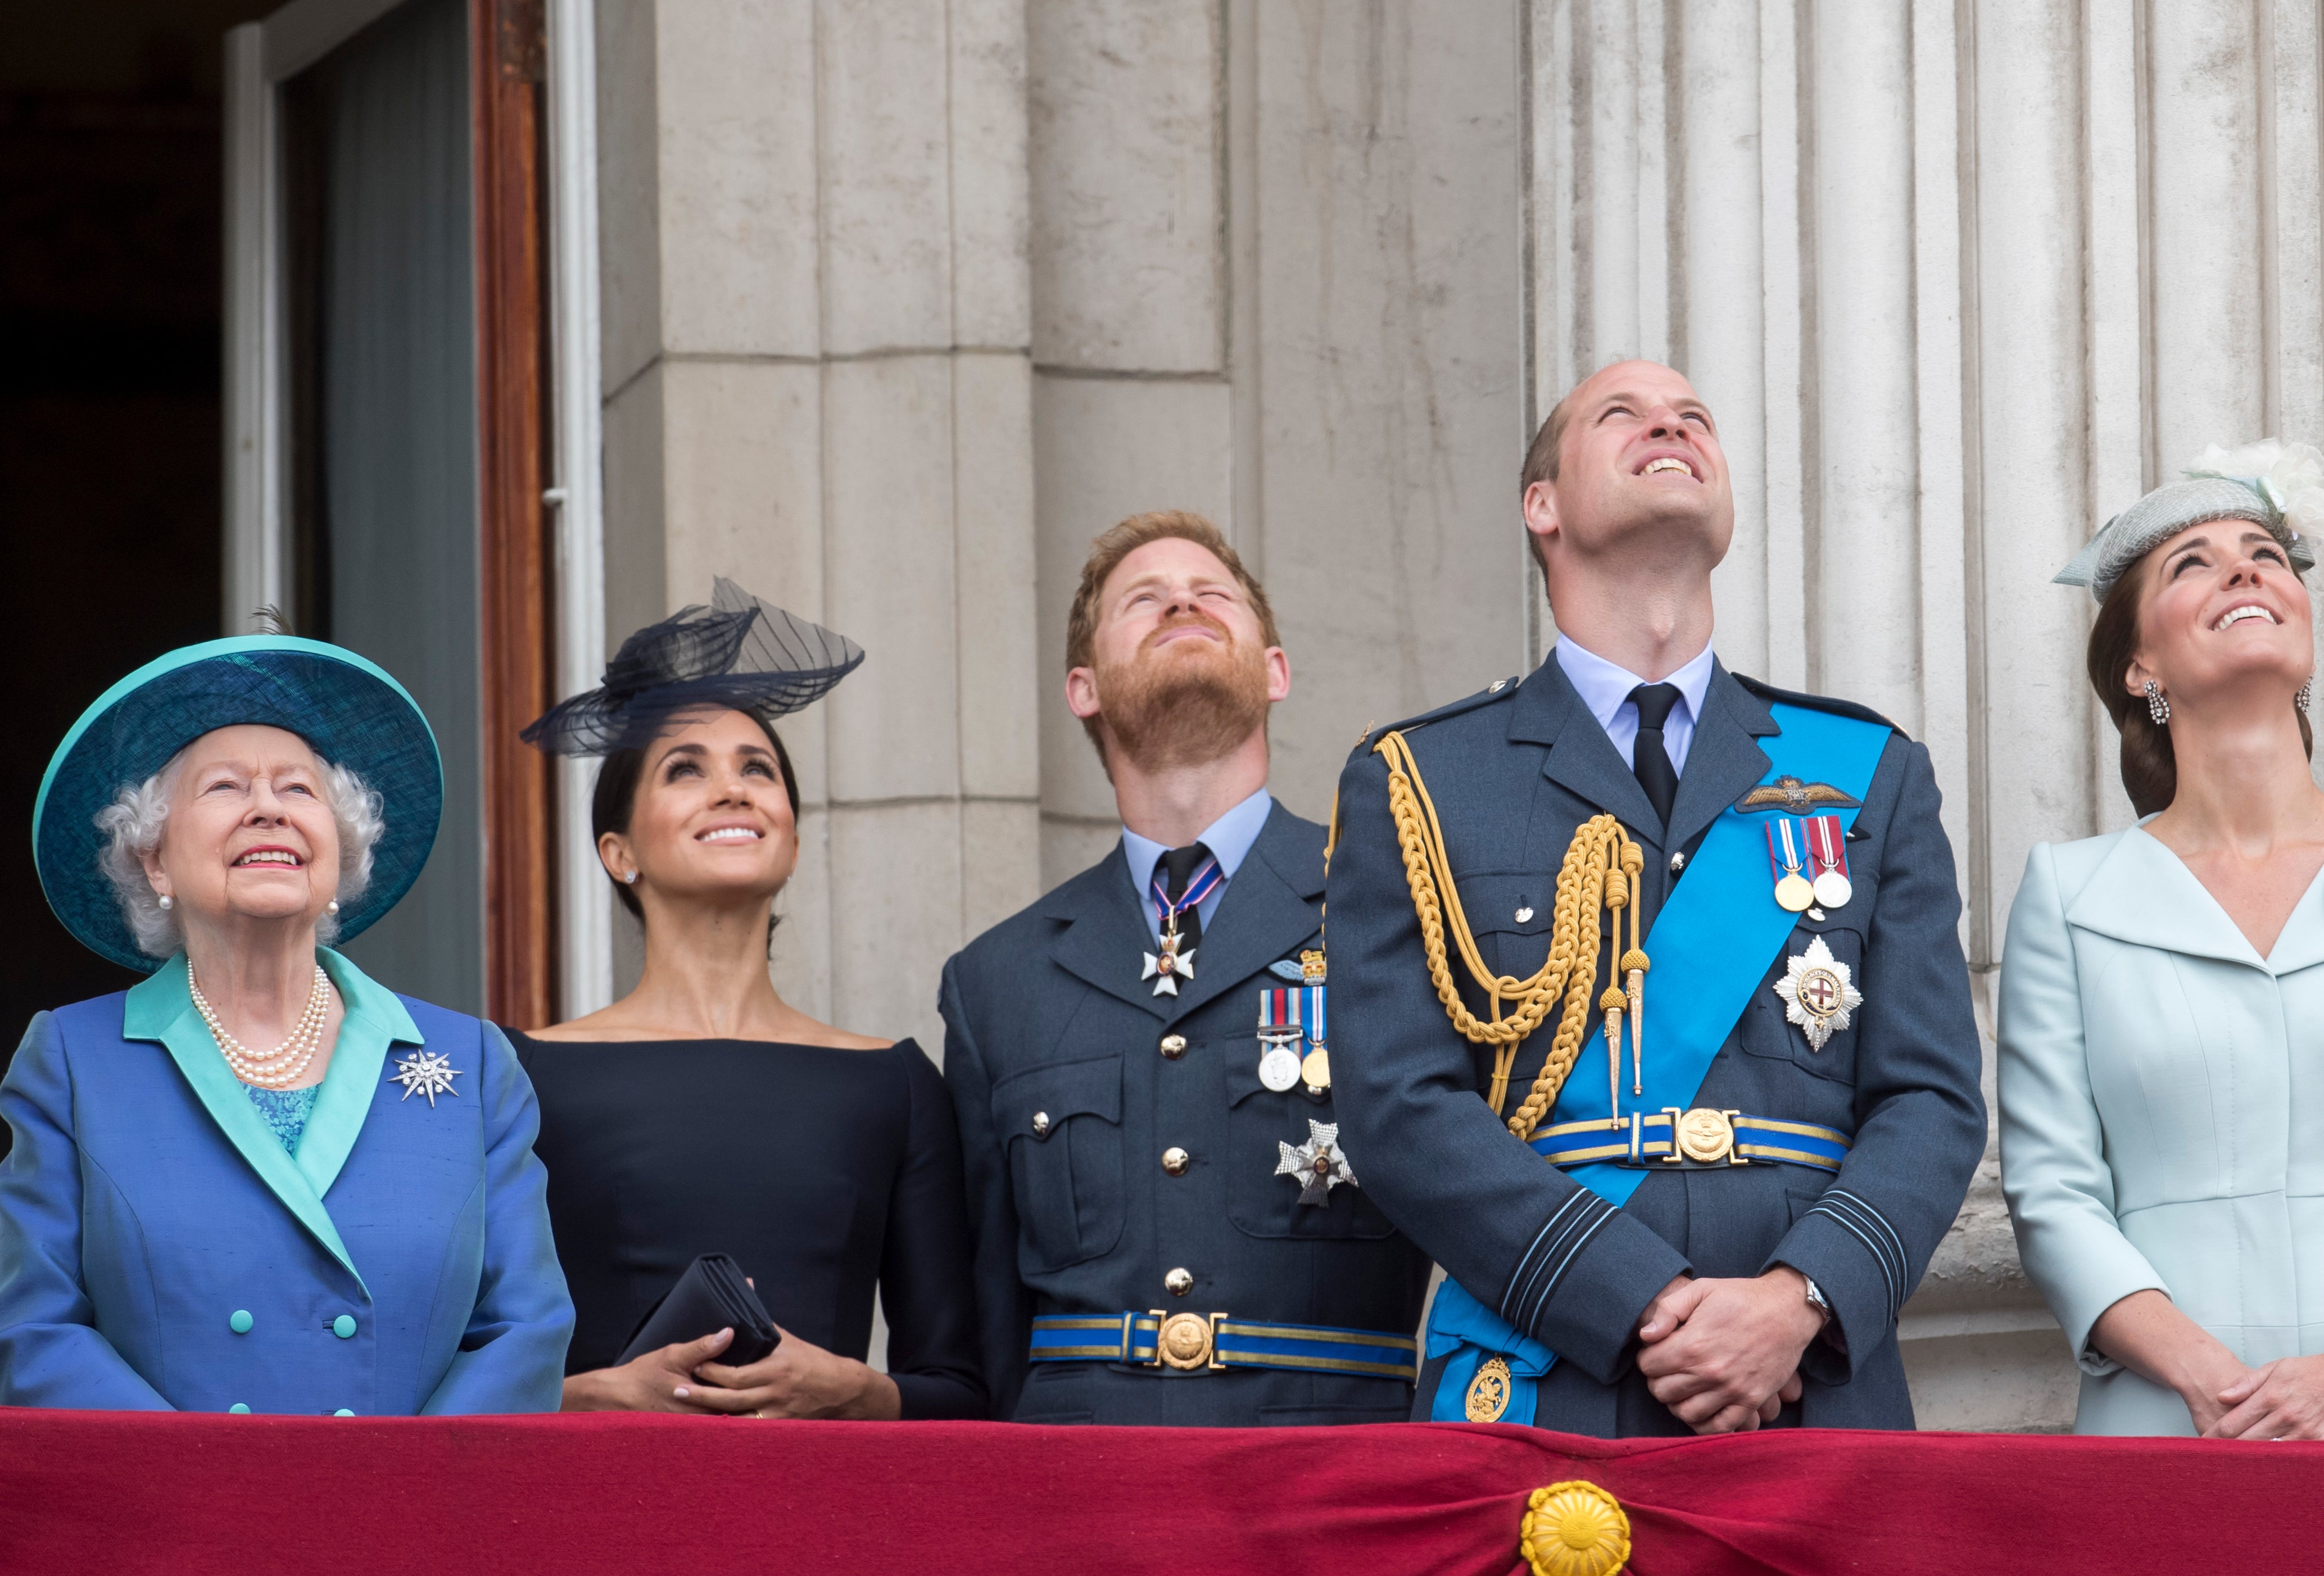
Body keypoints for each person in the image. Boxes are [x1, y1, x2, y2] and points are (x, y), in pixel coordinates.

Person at [1326, 360, 1986, 1435]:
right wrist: (1642, 1298)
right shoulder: (1421, 778)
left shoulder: (1870, 768)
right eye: (1620, 415)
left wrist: (1798, 1302)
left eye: (1694, 419)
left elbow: (1932, 1098)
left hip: (1808, 1383)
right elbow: (1399, 1108)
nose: (1667, 425)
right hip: (1553, 1369)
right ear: (1540, 505)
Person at [943, 511, 1432, 1425]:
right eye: (1145, 599)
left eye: (1214, 595)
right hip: (1085, 1495)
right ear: (1083, 689)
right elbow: (987, 1328)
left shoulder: (1397, 910)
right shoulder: (996, 980)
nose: (1182, 601)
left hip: (1331, 1477)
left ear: (1276, 672)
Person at [0, 635, 573, 1414]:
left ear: (340, 852)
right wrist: (215, 1491)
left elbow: (525, 1330)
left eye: (299, 790)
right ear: (154, 862)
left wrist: (404, 1493)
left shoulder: (471, 1063)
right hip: (176, 1519)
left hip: (409, 1517)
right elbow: (35, 1330)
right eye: (226, 787)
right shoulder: (72, 1063)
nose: (268, 807)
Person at [515, 580, 983, 1421]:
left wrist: (859, 1390)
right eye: (685, 770)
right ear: (618, 852)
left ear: (793, 838)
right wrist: (591, 1398)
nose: (732, 790)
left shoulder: (898, 1084)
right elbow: (448, 1377)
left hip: (826, 1526)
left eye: (756, 769)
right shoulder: (521, 1075)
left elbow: (961, 1389)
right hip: (593, 1521)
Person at [2003, 442, 2324, 1439]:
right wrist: (2215, 1384)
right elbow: (2053, 1191)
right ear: (2138, 662)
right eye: (2192, 562)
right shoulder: (2070, 894)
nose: (2243, 569)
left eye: (2264, 551)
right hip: (2166, 1424)